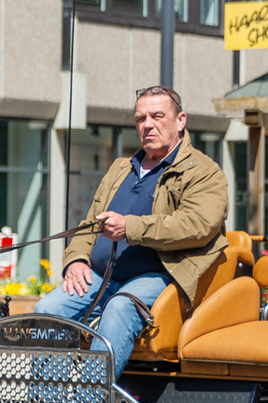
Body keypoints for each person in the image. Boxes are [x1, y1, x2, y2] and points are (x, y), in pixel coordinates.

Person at [35, 85, 226, 379]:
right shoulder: (121, 167)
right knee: (47, 310)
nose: (147, 124)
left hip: (160, 275)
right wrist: (75, 259)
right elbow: (90, 222)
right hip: (100, 276)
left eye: (157, 116)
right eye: (140, 118)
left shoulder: (204, 171)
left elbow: (198, 225)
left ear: (181, 120)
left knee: (120, 307)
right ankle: (49, 402)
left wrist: (131, 227)